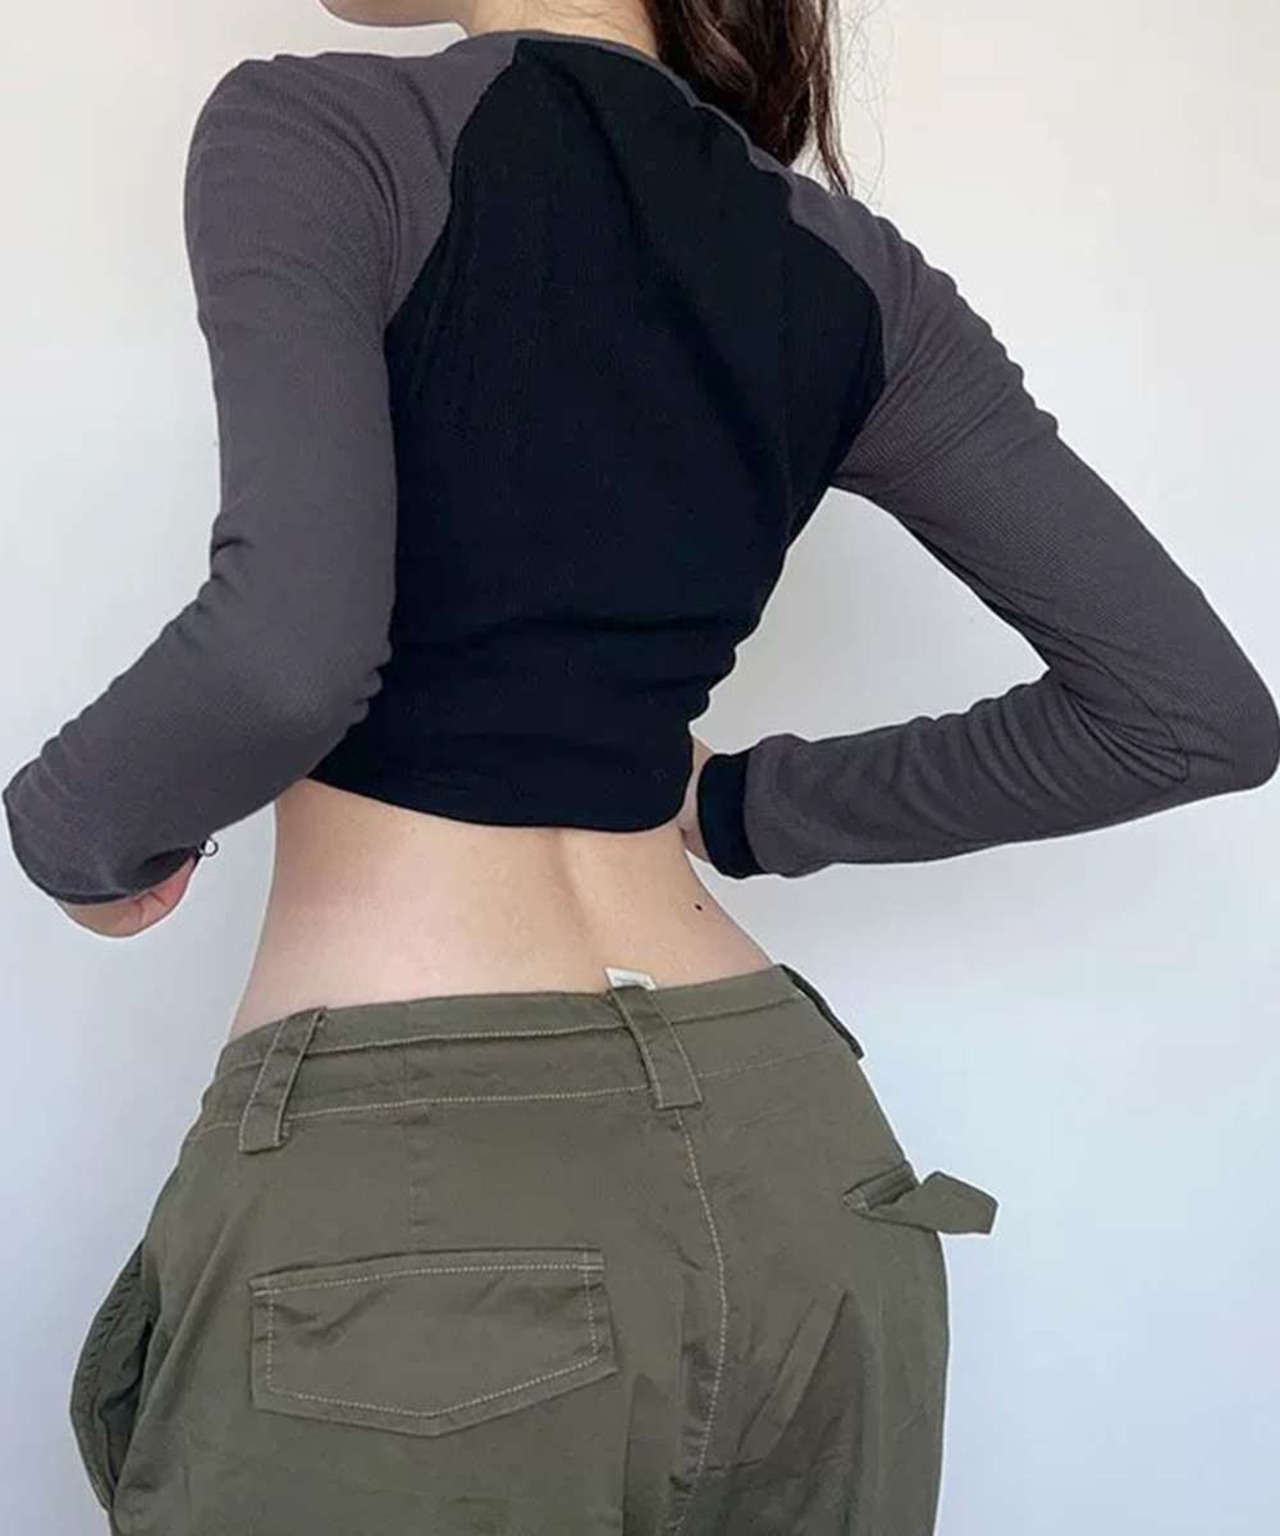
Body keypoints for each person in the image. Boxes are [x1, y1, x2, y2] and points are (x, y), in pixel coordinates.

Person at [6, 3, 1277, 1533]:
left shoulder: (332, 130)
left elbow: (287, 655)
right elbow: (1189, 711)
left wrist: (74, 832)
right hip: (807, 1170)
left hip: (427, 1203)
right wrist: (733, 807)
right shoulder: (853, 271)